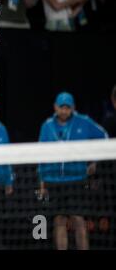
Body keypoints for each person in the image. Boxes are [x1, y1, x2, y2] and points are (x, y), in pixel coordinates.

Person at [37, 92, 108, 250]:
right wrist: (42, 183)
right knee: (59, 221)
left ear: (73, 108)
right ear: (55, 107)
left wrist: (94, 162)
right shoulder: (47, 126)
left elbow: (104, 137)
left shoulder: (83, 121)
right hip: (54, 180)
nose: (64, 111)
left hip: (77, 179)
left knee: (78, 219)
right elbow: (40, 154)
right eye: (61, 107)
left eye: (67, 107)